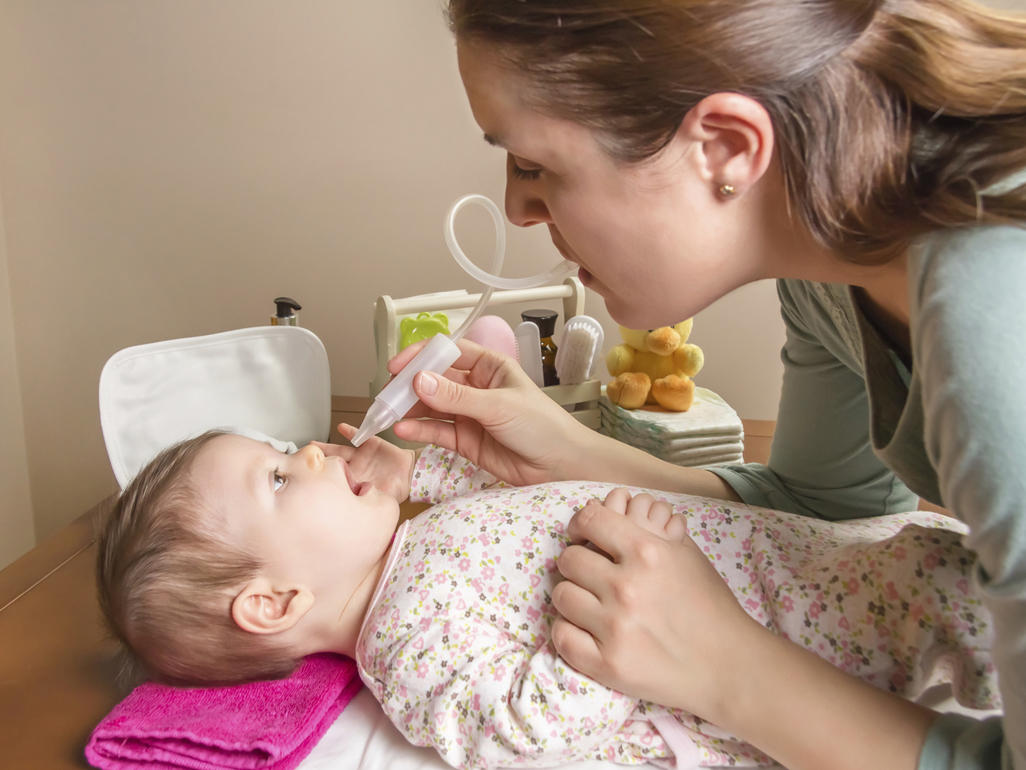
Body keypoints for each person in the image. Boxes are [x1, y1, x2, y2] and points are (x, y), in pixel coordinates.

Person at [382, 2, 1026, 769]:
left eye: (535, 165)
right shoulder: (831, 280)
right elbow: (829, 507)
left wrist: (724, 667)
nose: (519, 210)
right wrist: (573, 456)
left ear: (724, 146)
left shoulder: (995, 316)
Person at [96, 427, 996, 769]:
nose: (318, 457)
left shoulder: (411, 535)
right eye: (284, 480)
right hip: (797, 636)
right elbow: (520, 729)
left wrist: (424, 460)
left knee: (938, 569)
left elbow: (493, 496)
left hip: (813, 562)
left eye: (291, 450)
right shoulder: (406, 649)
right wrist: (612, 642)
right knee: (951, 628)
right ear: (274, 602)